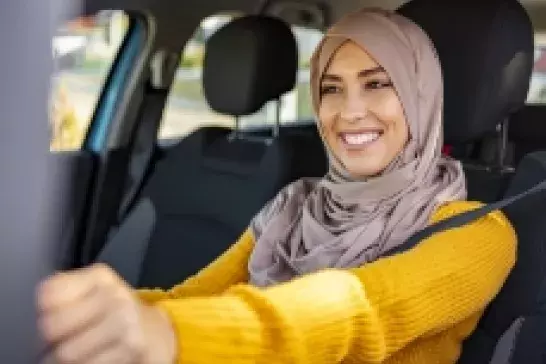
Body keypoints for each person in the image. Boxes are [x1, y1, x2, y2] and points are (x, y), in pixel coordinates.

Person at [36, 8, 517, 364]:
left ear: (421, 96)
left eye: (377, 84)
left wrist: (168, 335)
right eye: (331, 89)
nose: (349, 112)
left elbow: (360, 309)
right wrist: (68, 317)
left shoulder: (477, 233)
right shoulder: (296, 204)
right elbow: (196, 297)